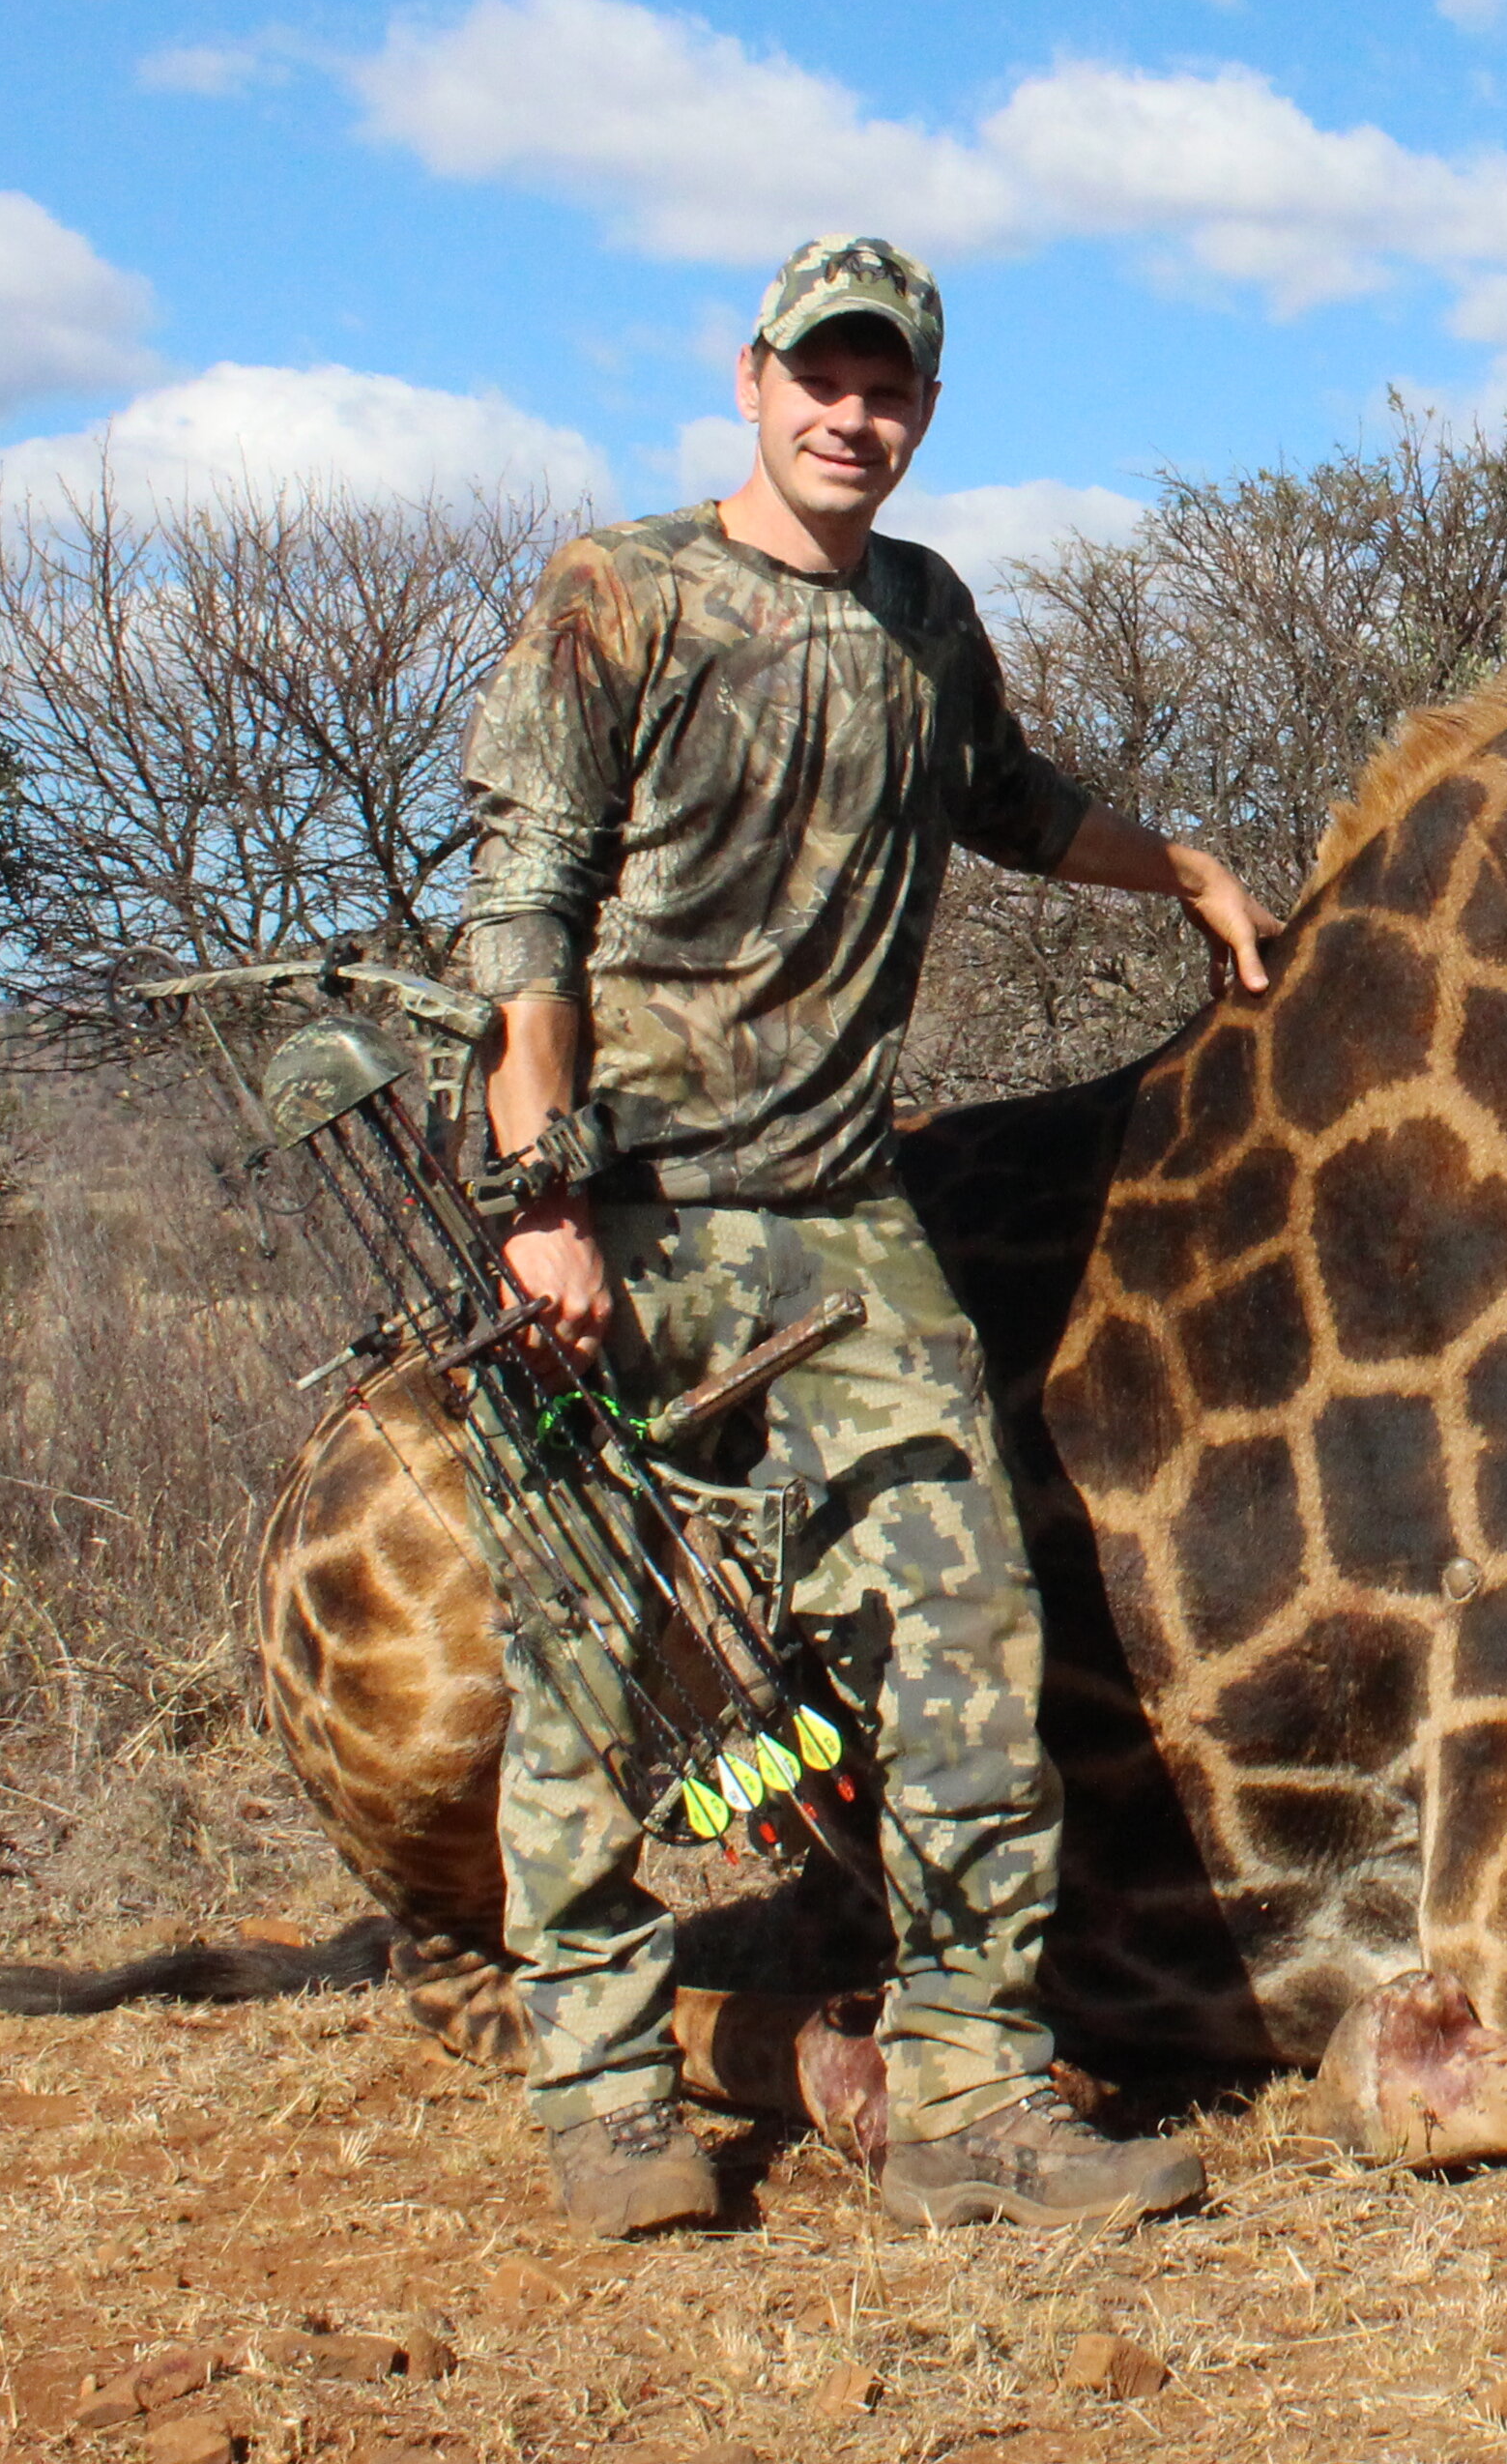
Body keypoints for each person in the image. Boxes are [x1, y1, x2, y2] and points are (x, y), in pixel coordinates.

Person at [456, 232, 1282, 2239]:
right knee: (595, 1668)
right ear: (752, 380)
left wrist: (1174, 865)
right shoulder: (617, 591)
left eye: (891, 386)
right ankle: (602, 2094)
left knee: (970, 1632)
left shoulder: (926, 614)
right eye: (823, 376)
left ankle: (978, 2094)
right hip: (623, 1211)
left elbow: (1003, 800)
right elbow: (527, 913)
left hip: (840, 1219)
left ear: (924, 408)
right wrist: (542, 1203)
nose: (855, 414)